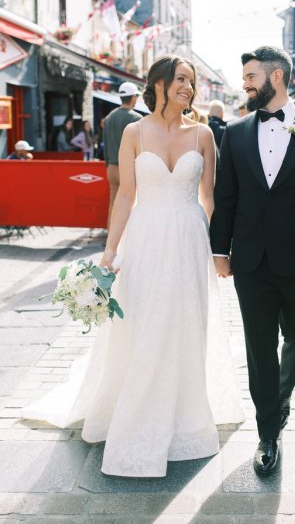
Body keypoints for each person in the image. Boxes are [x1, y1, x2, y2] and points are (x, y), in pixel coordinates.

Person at [22, 54, 243, 477]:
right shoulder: (132, 131)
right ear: (158, 83)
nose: (188, 88)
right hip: (145, 239)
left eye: (191, 82)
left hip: (189, 239)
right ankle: (138, 407)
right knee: (143, 321)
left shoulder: (203, 135)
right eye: (181, 79)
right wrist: (110, 252)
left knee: (185, 322)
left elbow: (210, 198)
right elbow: (124, 194)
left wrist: (220, 251)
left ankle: (183, 412)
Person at [210, 46, 295, 476]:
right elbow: (226, 196)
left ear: (276, 77)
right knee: (258, 347)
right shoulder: (233, 132)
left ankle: (279, 399)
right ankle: (268, 432)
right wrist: (220, 249)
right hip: (250, 261)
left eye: (251, 76)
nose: (245, 84)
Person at [104, 82, 142, 227]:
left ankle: (111, 234)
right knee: (130, 202)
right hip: (128, 168)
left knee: (113, 201)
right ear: (132, 97)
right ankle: (126, 236)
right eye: (136, 96)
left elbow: (105, 144)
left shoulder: (109, 117)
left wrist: (108, 164)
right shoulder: (136, 118)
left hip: (111, 167)